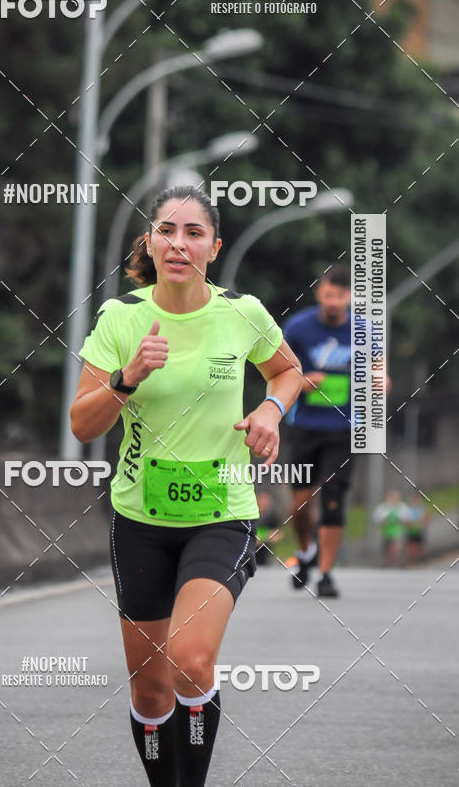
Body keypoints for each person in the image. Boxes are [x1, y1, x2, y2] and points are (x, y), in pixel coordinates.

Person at [70, 185, 302, 786]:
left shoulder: (242, 312)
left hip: (222, 513)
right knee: (149, 688)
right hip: (140, 520)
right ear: (149, 241)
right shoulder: (120, 317)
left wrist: (271, 409)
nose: (179, 244)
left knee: (190, 661)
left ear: (214, 248)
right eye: (167, 231)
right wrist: (127, 377)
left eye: (194, 233)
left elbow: (287, 371)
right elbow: (83, 423)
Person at [282, 264, 353, 599]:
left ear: (350, 297)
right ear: (318, 293)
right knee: (300, 502)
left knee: (334, 500)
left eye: (339, 295)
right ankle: (306, 551)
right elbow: (279, 372)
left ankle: (325, 573)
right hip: (305, 426)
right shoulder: (298, 327)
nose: (333, 302)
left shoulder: (363, 331)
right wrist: (303, 381)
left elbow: (378, 370)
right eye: (328, 294)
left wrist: (381, 381)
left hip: (344, 428)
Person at [373, 491, 411, 567]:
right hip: (385, 532)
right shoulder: (383, 507)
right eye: (392, 498)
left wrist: (400, 521)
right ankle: (388, 562)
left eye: (395, 497)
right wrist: (385, 521)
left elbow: (407, 519)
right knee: (387, 548)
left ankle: (394, 562)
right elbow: (377, 519)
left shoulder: (403, 507)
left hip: (398, 531)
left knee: (395, 547)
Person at [254, 492, 283, 565]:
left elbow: (278, 535)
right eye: (262, 502)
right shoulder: (252, 516)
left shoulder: (273, 517)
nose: (264, 504)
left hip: (264, 552)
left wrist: (263, 538)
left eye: (265, 502)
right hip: (251, 550)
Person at [404, 493, 427, 566]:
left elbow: (425, 519)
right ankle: (411, 562)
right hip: (410, 531)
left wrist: (421, 523)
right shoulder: (409, 510)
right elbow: (405, 520)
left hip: (419, 531)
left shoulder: (422, 509)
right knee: (411, 548)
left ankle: (415, 561)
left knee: (418, 548)